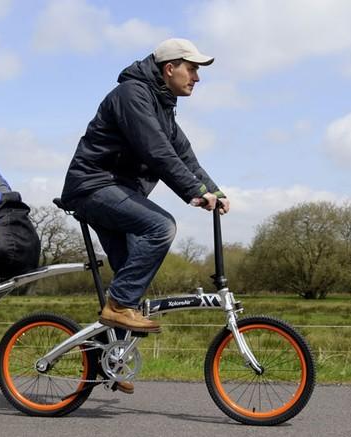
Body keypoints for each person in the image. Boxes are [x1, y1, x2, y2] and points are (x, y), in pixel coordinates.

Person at [61, 38, 230, 340]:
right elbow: (157, 150)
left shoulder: (163, 108)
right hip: (93, 186)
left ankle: (105, 360)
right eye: (191, 69)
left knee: (131, 278)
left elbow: (184, 156)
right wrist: (194, 191)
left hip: (117, 192)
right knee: (161, 227)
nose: (197, 77)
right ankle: (117, 307)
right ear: (169, 68)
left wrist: (215, 193)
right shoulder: (132, 95)